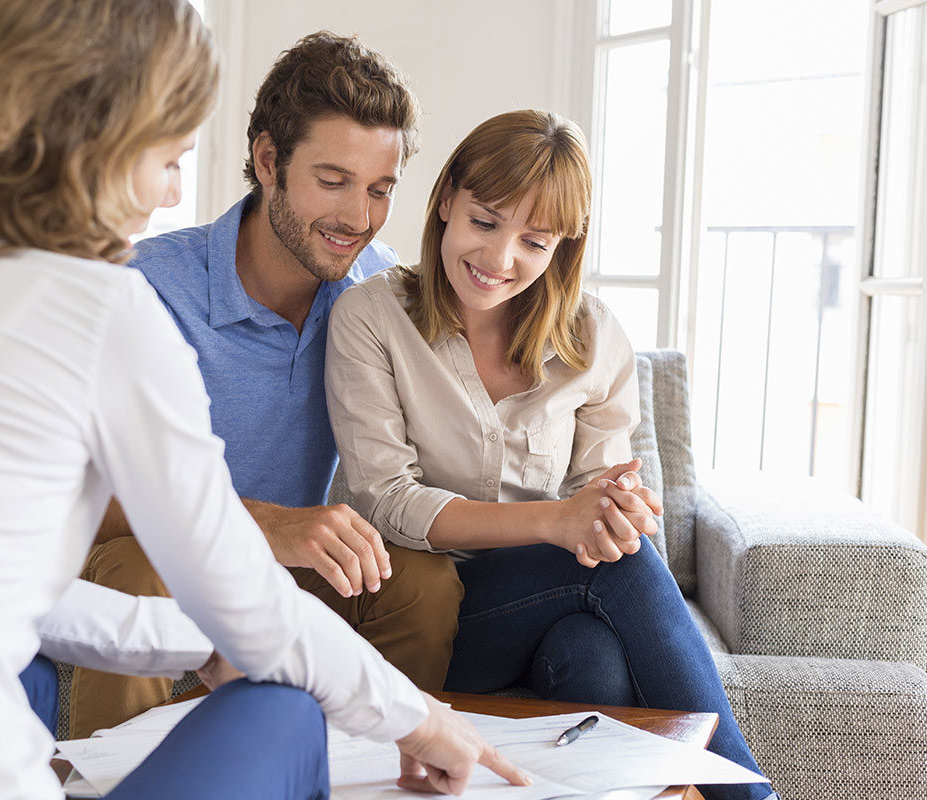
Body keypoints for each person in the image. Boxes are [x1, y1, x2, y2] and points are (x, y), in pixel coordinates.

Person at [0, 2, 529, 798]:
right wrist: (421, 721)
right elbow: (245, 604)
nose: (166, 192)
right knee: (283, 712)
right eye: (168, 156)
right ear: (90, 144)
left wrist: (188, 642)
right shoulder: (102, 307)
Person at [325, 109, 778, 800]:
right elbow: (387, 499)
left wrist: (617, 510)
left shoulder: (593, 337)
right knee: (610, 573)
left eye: (533, 241)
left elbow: (600, 491)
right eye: (484, 222)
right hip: (424, 612)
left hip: (548, 610)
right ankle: (750, 794)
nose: (499, 260)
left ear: (564, 245)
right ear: (446, 199)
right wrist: (559, 522)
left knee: (590, 656)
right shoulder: (370, 317)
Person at [66, 31, 463, 739]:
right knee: (136, 570)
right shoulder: (149, 288)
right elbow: (79, 500)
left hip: (289, 569)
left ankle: (369, 772)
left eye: (380, 190)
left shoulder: (375, 288)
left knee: (423, 585)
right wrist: (269, 523)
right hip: (164, 562)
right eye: (333, 180)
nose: (357, 218)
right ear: (267, 161)